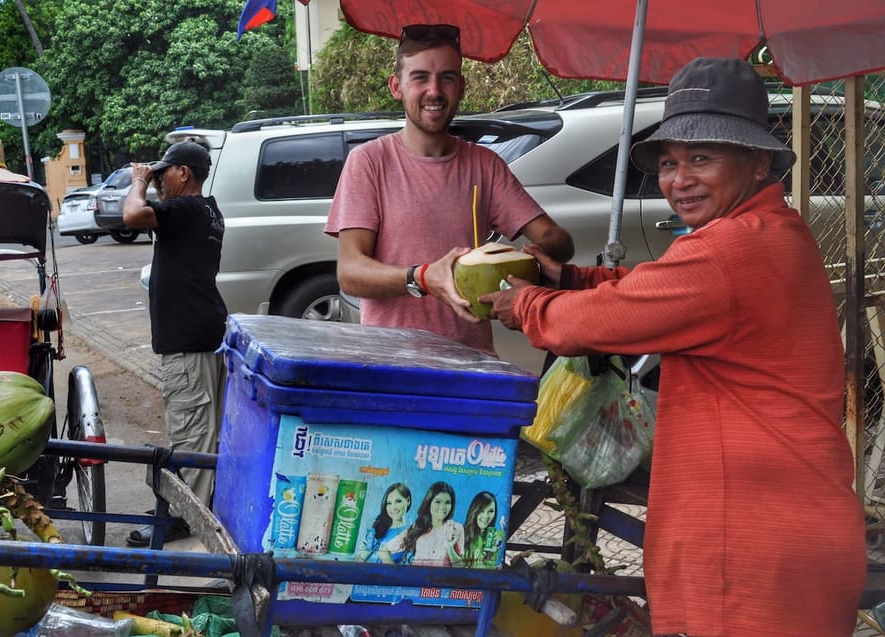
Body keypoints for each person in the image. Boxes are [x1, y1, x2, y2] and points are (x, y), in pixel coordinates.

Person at [482, 57, 866, 637]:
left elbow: (585, 324)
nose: (679, 179)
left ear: (758, 162)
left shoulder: (730, 252)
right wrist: (563, 279)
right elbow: (643, 290)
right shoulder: (765, 234)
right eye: (668, 162)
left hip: (756, 548)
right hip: (772, 534)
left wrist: (526, 305)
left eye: (701, 159)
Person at [324, 23, 574, 355]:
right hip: (392, 364)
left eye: (447, 77)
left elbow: (558, 239)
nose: (434, 90)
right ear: (397, 86)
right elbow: (350, 272)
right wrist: (424, 278)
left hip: (472, 362)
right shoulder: (369, 162)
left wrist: (525, 259)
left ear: (461, 86)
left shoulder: (484, 165)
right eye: (420, 77)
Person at [122, 141, 228, 546]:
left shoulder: (186, 209)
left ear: (184, 173)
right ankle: (194, 505)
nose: (159, 179)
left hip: (188, 341)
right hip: (203, 332)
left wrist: (138, 181)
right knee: (205, 429)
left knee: (191, 430)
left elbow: (132, 214)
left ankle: (187, 516)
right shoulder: (210, 212)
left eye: (165, 172)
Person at [383, 481, 463, 566]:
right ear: (429, 503)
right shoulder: (418, 526)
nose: (443, 507)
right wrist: (395, 574)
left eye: (447, 502)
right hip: (416, 578)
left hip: (441, 579)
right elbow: (384, 551)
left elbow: (460, 568)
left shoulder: (456, 528)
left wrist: (450, 548)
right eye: (438, 502)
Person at [361, 482, 412, 563]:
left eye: (398, 501)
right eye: (389, 503)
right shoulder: (378, 528)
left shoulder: (411, 533)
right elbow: (359, 559)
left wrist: (386, 557)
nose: (393, 507)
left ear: (408, 500)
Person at [461, 491, 503, 569]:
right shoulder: (461, 533)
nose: (486, 516)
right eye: (481, 511)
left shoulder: (497, 537)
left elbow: (497, 568)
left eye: (490, 511)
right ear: (474, 511)